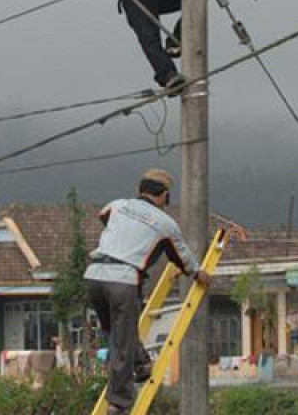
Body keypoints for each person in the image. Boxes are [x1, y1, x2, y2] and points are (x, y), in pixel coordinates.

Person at [84, 169, 211, 414]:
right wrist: (199, 274)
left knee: (117, 333)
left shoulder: (118, 206)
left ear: (140, 190)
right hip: (123, 281)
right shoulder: (165, 223)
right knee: (122, 343)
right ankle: (119, 404)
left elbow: (104, 217)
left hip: (94, 277)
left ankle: (141, 363)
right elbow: (182, 257)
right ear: (165, 195)